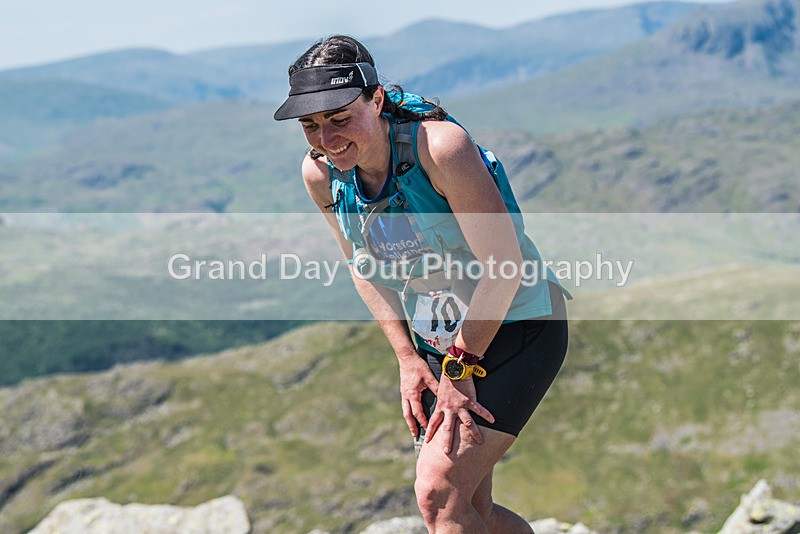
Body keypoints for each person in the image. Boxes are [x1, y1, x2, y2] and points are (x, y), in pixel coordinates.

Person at [274, 35, 569, 534]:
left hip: (517, 324)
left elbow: (504, 266)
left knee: (439, 494)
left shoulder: (440, 148)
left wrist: (461, 365)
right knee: (470, 508)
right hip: (439, 338)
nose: (326, 139)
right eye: (310, 125)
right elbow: (361, 266)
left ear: (377, 99)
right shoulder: (321, 174)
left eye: (340, 118)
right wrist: (407, 358)